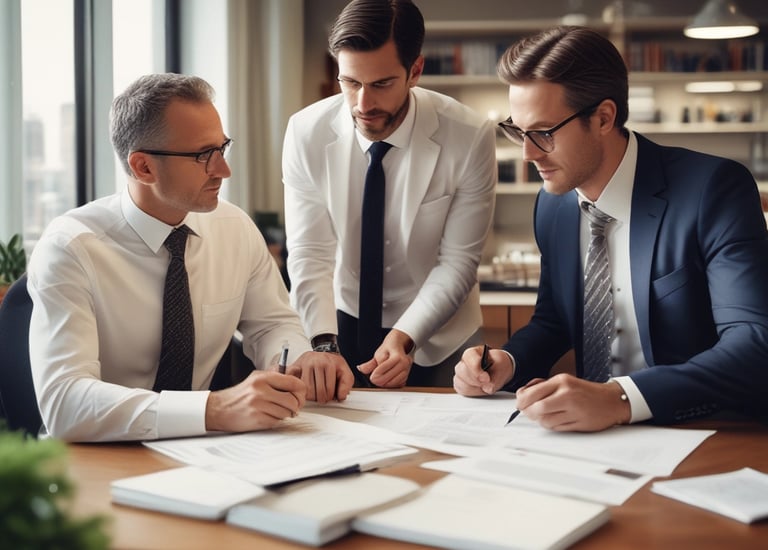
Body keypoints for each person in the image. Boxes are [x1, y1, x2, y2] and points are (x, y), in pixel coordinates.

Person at [454, 26, 768, 431]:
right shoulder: (553, 204)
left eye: (544, 133)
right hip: (592, 436)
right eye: (519, 130)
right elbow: (555, 321)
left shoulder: (713, 189)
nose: (528, 153)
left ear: (603, 117)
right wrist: (506, 361)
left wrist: (622, 397)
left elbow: (754, 342)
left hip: (704, 429)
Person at [27, 73, 353, 442]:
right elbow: (64, 403)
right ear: (143, 167)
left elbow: (270, 325)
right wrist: (215, 409)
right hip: (95, 455)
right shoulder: (70, 249)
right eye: (203, 156)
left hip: (200, 448)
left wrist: (299, 360)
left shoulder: (234, 228)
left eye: (222, 148)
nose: (223, 170)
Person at [282, 0, 497, 388]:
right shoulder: (305, 132)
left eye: (381, 84)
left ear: (415, 71)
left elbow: (458, 262)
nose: (362, 104)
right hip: (340, 322)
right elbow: (310, 252)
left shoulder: (468, 135)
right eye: (350, 82)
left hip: (440, 337)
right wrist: (324, 344)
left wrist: (404, 337)